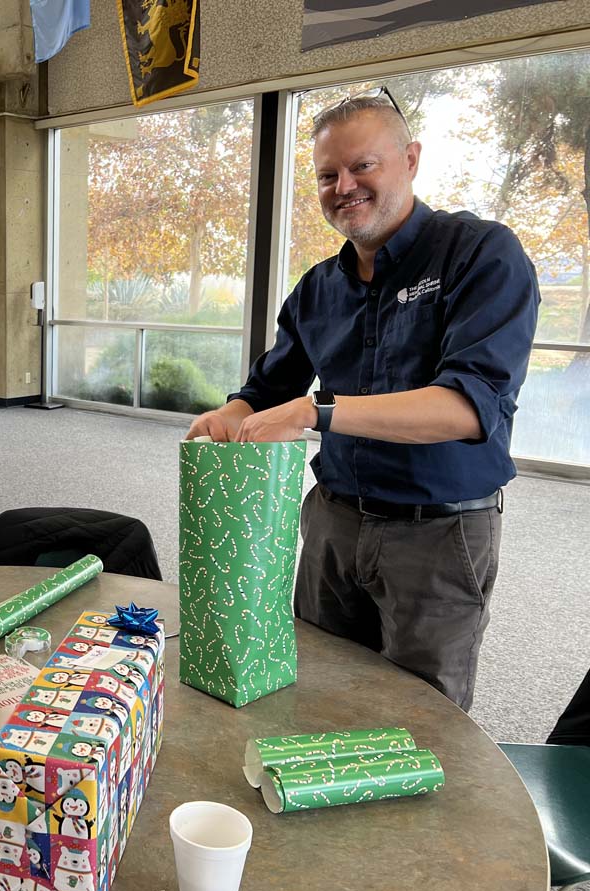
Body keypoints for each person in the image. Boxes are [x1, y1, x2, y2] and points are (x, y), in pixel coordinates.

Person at [186, 88, 539, 711]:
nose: (344, 185)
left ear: (410, 158)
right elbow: (266, 389)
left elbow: (466, 407)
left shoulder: (481, 254)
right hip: (331, 525)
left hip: (438, 533)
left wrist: (317, 412)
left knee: (421, 719)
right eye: (328, 175)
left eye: (362, 166)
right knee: (312, 694)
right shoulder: (318, 288)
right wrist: (226, 417)